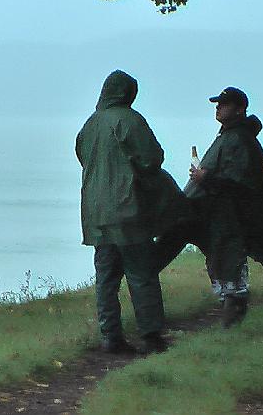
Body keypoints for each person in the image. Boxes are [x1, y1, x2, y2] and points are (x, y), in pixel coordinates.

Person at [75, 70, 187, 354]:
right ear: (128, 94)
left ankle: (110, 337)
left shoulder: (90, 125)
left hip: (96, 213)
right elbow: (152, 158)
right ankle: (151, 336)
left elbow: (81, 156)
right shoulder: (130, 120)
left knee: (106, 278)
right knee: (141, 273)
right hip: (128, 209)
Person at [154, 87, 263, 328]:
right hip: (215, 214)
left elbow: (241, 184)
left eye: (224, 104)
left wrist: (206, 179)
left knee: (230, 266)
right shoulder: (229, 136)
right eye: (218, 103)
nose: (218, 107)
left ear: (240, 109)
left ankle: (233, 317)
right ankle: (230, 313)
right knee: (220, 263)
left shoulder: (241, 140)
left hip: (230, 218)